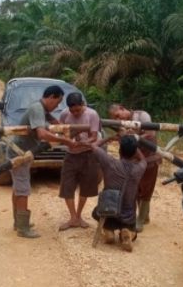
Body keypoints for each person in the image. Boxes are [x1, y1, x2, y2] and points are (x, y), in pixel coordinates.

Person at [8, 85, 79, 238]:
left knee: (18, 188)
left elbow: (53, 121)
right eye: (57, 101)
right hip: (19, 154)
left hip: (22, 153)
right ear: (51, 97)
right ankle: (23, 228)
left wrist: (61, 127)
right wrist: (63, 140)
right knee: (23, 189)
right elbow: (41, 134)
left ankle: (18, 222)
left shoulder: (43, 110)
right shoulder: (37, 108)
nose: (57, 106)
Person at [108, 104, 161, 232]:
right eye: (114, 118)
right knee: (135, 188)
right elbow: (123, 139)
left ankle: (140, 220)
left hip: (149, 158)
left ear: (122, 108)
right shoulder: (122, 123)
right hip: (134, 159)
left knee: (146, 190)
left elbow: (150, 134)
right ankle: (144, 216)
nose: (117, 119)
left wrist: (131, 138)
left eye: (117, 115)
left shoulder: (142, 115)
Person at [91, 135, 147, 252]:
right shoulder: (139, 168)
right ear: (134, 152)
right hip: (128, 215)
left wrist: (110, 138)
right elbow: (143, 159)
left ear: (119, 150)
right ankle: (127, 233)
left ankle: (108, 231)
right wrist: (135, 146)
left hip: (109, 210)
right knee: (132, 227)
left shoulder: (110, 163)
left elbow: (94, 145)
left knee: (95, 213)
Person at [58, 92, 101, 231]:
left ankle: (78, 215)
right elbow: (60, 132)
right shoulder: (65, 114)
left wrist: (82, 143)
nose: (75, 113)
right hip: (70, 155)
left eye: (77, 110)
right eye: (72, 110)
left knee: (86, 186)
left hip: (87, 154)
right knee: (67, 186)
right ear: (68, 108)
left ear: (83, 105)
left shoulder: (92, 114)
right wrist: (70, 140)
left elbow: (94, 136)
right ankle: (73, 218)